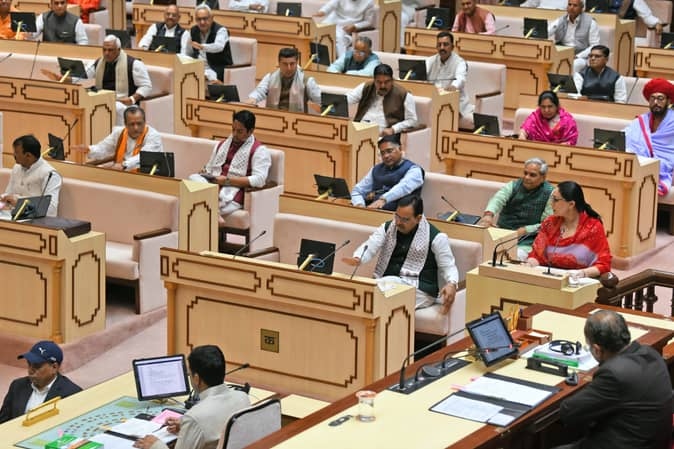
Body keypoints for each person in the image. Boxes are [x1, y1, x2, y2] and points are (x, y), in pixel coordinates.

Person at [553, 310, 672, 449]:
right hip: (655, 441)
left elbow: (569, 411)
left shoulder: (614, 374)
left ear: (597, 349)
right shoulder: (651, 354)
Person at [343, 194, 459, 315]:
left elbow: (448, 266)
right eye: (397, 216)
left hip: (420, 291)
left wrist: (451, 283)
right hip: (388, 284)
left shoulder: (437, 237)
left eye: (405, 219)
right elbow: (371, 245)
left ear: (418, 218)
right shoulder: (388, 227)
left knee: (381, 290)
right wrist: (358, 258)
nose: (398, 222)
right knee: (374, 292)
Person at [133, 345, 250, 449]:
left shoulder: (195, 417)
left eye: (190, 374)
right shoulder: (242, 397)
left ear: (197, 379)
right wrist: (187, 426)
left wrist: (155, 445)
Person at [41, 35, 154, 125]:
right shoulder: (99, 62)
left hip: (124, 103)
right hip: (102, 100)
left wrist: (132, 99)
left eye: (110, 50)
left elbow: (146, 86)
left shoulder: (134, 64)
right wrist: (63, 79)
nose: (106, 53)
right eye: (104, 50)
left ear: (119, 50)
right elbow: (83, 76)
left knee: (117, 107)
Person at [188, 110, 271, 222]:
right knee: (193, 178)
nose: (235, 134)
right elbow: (209, 167)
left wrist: (227, 181)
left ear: (250, 131)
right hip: (212, 185)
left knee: (196, 205)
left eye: (240, 131)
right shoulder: (222, 144)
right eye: (233, 129)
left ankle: (213, 210)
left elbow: (259, 180)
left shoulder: (260, 151)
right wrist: (204, 172)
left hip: (232, 192)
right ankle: (214, 212)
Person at [527, 180, 611, 277]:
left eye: (555, 200)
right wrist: (529, 264)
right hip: (549, 278)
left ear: (571, 204)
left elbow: (604, 264)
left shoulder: (593, 227)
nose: (551, 204)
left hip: (580, 280)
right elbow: (536, 255)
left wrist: (582, 273)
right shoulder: (549, 223)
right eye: (551, 199)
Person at [478, 158, 553, 260]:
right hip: (502, 235)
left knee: (512, 257)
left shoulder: (550, 193)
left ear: (543, 178)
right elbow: (498, 199)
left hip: (526, 242)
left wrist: (525, 230)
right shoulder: (513, 185)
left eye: (532, 175)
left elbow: (548, 224)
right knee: (479, 251)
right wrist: (488, 215)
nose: (526, 177)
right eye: (525, 173)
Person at [0, 340, 81, 423]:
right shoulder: (17, 386)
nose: (30, 370)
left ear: (54, 367)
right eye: (29, 364)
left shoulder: (72, 394)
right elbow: (2, 423)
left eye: (37, 366)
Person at [72, 105, 162, 171]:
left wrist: (124, 165)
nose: (136, 128)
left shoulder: (153, 136)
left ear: (145, 122)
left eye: (139, 123)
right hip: (122, 173)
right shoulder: (119, 132)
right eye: (132, 124)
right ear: (125, 124)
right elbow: (103, 148)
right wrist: (89, 149)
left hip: (147, 175)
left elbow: (143, 158)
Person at [625, 78, 674, 198]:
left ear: (668, 101)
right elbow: (624, 136)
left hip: (665, 165)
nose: (656, 102)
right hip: (641, 163)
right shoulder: (641, 121)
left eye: (660, 98)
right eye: (652, 98)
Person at [350, 134, 424, 210]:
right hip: (373, 212)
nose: (386, 156)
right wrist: (360, 205)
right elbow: (357, 191)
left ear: (400, 149)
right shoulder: (376, 169)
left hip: (400, 215)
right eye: (382, 153)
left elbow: (403, 187)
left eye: (389, 151)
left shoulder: (414, 170)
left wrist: (384, 199)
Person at [347, 63, 418, 137]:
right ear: (374, 81)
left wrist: (393, 129)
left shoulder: (403, 94)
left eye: (386, 82)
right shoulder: (366, 87)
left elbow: (413, 120)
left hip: (385, 135)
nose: (383, 86)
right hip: (360, 130)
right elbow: (346, 99)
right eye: (379, 82)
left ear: (392, 80)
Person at [1, 135, 62, 217]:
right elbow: (8, 194)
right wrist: (3, 199)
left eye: (16, 152)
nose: (14, 155)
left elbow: (50, 210)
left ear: (28, 155)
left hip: (33, 219)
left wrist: (19, 203)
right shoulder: (17, 167)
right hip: (9, 215)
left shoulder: (50, 174)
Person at [245, 47, 321, 113]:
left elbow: (319, 101)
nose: (289, 68)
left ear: (297, 63)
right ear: (279, 63)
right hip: (274, 117)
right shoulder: (270, 77)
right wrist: (252, 99)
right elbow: (259, 91)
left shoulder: (307, 81)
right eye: (285, 64)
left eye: (292, 64)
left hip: (297, 120)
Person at [425, 31, 474, 129]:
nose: (442, 48)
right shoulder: (430, 60)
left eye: (445, 44)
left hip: (454, 102)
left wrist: (453, 86)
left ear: (452, 47)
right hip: (434, 99)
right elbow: (420, 75)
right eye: (439, 45)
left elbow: (460, 79)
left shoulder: (460, 62)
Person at [181, 4, 232, 83]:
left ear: (211, 18)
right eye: (199, 19)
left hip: (217, 67)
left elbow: (219, 47)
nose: (202, 22)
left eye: (205, 18)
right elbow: (188, 53)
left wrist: (202, 47)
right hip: (198, 67)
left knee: (201, 76)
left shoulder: (221, 30)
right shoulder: (193, 30)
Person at [549, 0, 600, 73]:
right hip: (562, 53)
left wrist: (578, 56)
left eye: (575, 5)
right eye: (569, 5)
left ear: (582, 8)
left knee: (575, 64)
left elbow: (595, 45)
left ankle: (572, 81)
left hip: (581, 56)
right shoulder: (561, 20)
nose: (571, 7)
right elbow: (547, 32)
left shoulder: (591, 22)